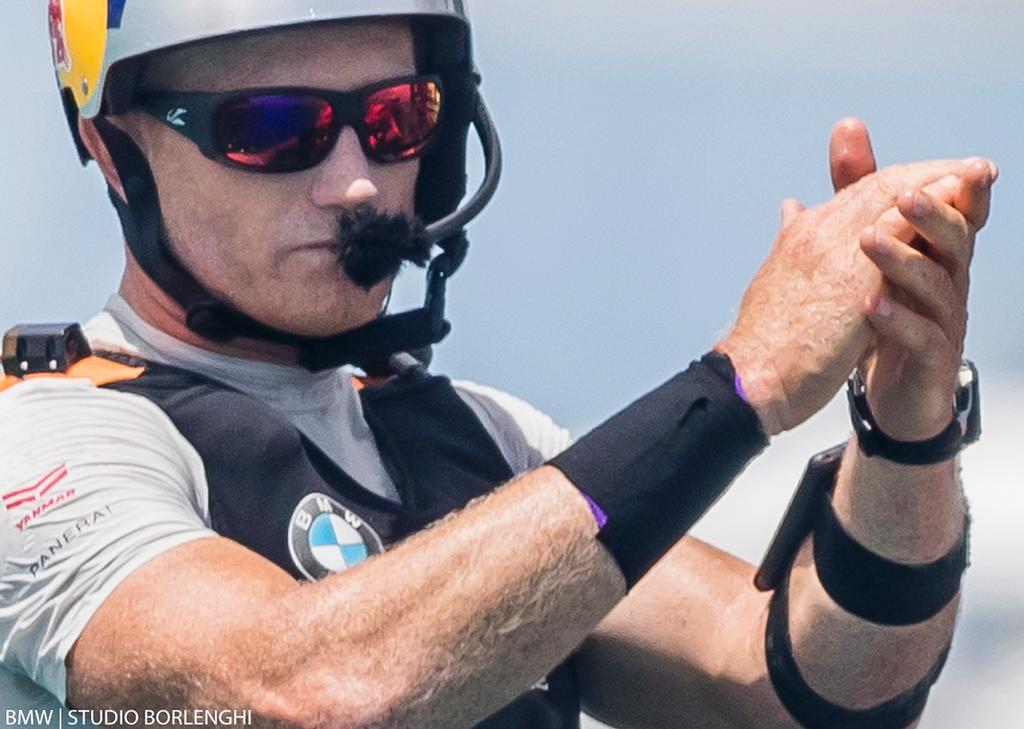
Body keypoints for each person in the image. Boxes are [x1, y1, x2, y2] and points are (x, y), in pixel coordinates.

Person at [0, 2, 995, 728]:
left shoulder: (485, 440)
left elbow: (807, 687)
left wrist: (907, 426)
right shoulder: (44, 441)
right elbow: (305, 696)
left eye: (395, 118)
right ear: (114, 150)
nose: (354, 181)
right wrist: (739, 386)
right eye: (273, 129)